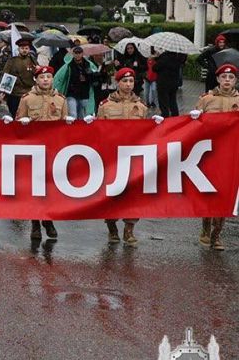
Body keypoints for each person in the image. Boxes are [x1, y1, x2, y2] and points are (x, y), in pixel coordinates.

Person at [95, 67, 147, 245]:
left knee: (133, 195)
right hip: (112, 158)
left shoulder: (141, 107)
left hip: (133, 157)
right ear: (117, 83)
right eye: (124, 81)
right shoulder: (105, 106)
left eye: (131, 81)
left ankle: (129, 229)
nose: (128, 84)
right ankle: (112, 227)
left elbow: (147, 133)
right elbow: (98, 132)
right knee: (112, 194)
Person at [15, 65, 67, 240]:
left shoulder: (60, 100)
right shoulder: (27, 99)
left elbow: (64, 125)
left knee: (50, 188)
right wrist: (22, 123)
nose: (45, 80)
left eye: (48, 77)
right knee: (34, 188)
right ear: (36, 80)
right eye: (42, 77)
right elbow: (18, 123)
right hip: (33, 149)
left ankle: (48, 219)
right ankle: (35, 223)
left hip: (53, 150)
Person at [194, 63, 239, 250]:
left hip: (232, 154)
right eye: (224, 77)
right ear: (218, 79)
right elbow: (193, 126)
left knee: (226, 194)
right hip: (210, 153)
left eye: (231, 77)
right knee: (209, 191)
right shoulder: (207, 99)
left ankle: (217, 234)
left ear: (235, 81)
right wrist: (194, 118)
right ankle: (206, 225)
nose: (227, 80)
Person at [54, 45, 99, 119]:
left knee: (83, 117)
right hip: (71, 93)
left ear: (82, 54)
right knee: (73, 115)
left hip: (85, 94)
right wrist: (55, 89)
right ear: (73, 54)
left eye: (79, 53)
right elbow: (59, 78)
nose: (78, 55)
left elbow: (95, 78)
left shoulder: (88, 65)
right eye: (76, 53)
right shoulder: (68, 65)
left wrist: (90, 75)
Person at [1, 39, 36, 116]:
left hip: (29, 93)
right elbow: (5, 76)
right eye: (22, 48)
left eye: (26, 48)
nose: (24, 50)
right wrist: (3, 92)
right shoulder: (12, 61)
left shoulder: (33, 61)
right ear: (18, 49)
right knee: (15, 115)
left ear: (29, 49)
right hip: (15, 94)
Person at [154, 50, 186, 118]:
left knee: (163, 102)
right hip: (174, 83)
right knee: (173, 100)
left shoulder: (164, 56)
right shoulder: (178, 57)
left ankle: (165, 116)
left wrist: (157, 57)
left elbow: (155, 68)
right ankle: (175, 116)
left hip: (163, 83)